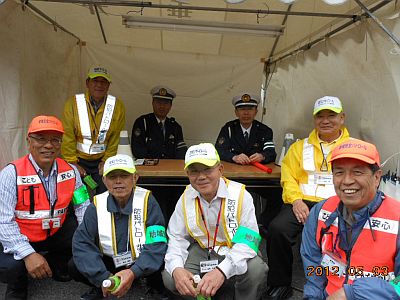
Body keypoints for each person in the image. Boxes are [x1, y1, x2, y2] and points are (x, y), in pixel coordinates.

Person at [265, 96, 350, 299]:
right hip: (301, 202)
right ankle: (279, 283)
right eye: (320, 116)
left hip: (338, 204)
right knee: (278, 229)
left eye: (332, 115)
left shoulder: (353, 147)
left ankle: (341, 284)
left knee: (343, 237)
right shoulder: (299, 147)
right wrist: (295, 201)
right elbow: (288, 177)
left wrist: (339, 203)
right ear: (314, 120)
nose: (326, 120)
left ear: (342, 118)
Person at [0, 115, 90, 300]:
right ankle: (18, 285)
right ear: (29, 141)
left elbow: (82, 207)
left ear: (60, 143)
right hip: (22, 234)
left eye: (55, 140)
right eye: (41, 139)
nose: (48, 145)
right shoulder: (11, 173)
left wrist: (86, 240)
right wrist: (28, 254)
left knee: (80, 232)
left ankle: (55, 263)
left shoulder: (72, 172)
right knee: (12, 266)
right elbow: (3, 220)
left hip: (54, 231)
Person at [162, 143, 268, 300]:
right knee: (171, 277)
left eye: (207, 169)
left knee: (256, 270)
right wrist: (177, 268)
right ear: (187, 173)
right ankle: (201, 294)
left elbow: (248, 242)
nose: (201, 176)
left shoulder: (240, 195)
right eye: (194, 171)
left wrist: (221, 271)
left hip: (234, 248)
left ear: (220, 169)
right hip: (202, 249)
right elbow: (176, 238)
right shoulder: (185, 197)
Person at [301, 138, 400, 299]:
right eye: (339, 172)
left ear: (377, 177)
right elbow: (313, 268)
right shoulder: (320, 211)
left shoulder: (397, 218)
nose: (347, 181)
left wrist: (353, 293)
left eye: (358, 172)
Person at [69, 154, 168, 300]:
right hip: (110, 262)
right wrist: (103, 276)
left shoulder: (148, 201)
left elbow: (157, 241)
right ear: (104, 180)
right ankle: (102, 284)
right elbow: (82, 242)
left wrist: (134, 271)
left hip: (140, 260)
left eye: (124, 176)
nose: (118, 181)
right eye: (112, 177)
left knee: (164, 255)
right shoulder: (96, 204)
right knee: (74, 265)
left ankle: (152, 285)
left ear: (135, 178)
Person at [61, 66, 126, 194]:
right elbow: (67, 136)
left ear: (108, 85)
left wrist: (106, 160)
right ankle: (78, 215)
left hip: (102, 161)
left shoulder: (117, 106)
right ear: (87, 83)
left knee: (104, 195)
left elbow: (115, 138)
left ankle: (101, 214)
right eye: (95, 81)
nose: (99, 85)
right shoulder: (73, 104)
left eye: (103, 82)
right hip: (78, 160)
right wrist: (72, 163)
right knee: (78, 196)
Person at [215, 92, 276, 165]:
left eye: (250, 109)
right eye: (242, 109)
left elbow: (271, 152)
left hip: (257, 172)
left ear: (256, 112)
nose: (246, 113)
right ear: (236, 112)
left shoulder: (265, 131)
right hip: (233, 172)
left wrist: (262, 156)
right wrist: (234, 157)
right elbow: (219, 150)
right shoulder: (228, 129)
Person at [131, 85, 187, 159]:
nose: (162, 106)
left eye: (166, 103)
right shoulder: (142, 123)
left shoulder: (175, 127)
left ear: (170, 106)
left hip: (170, 167)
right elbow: (137, 150)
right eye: (159, 102)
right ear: (153, 103)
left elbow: (181, 152)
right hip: (148, 168)